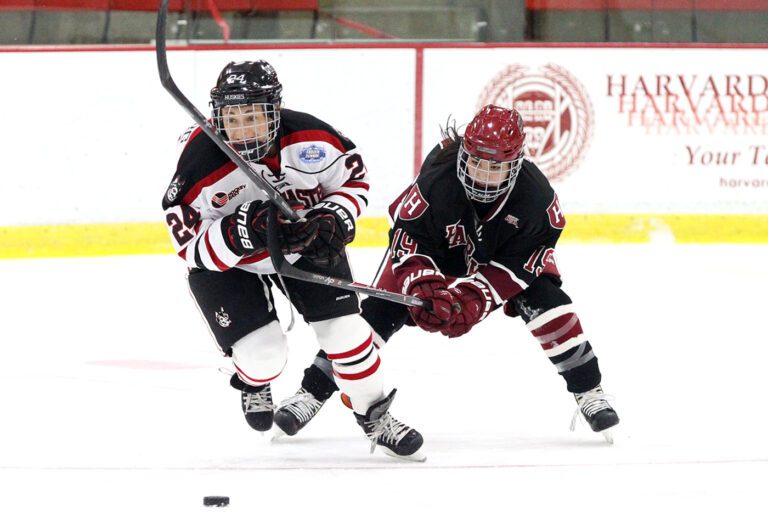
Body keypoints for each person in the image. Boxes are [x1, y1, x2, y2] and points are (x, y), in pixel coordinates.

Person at [272, 105, 620, 442]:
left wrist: (475, 297)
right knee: (374, 317)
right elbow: (407, 240)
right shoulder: (438, 176)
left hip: (501, 259)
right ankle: (311, 392)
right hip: (436, 256)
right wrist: (423, 285)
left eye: (495, 167)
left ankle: (590, 391)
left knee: (550, 303)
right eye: (478, 163)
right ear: (465, 154)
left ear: (515, 164)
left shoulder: (537, 200)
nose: (483, 176)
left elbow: (523, 263)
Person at [161, 60, 425, 461]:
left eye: (253, 116)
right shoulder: (197, 162)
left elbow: (353, 181)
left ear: (275, 111)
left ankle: (375, 415)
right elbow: (191, 248)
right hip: (233, 264)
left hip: (302, 243)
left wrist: (334, 217)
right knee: (264, 357)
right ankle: (252, 382)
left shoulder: (311, 137)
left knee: (347, 335)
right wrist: (237, 232)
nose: (243, 128)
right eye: (232, 117)